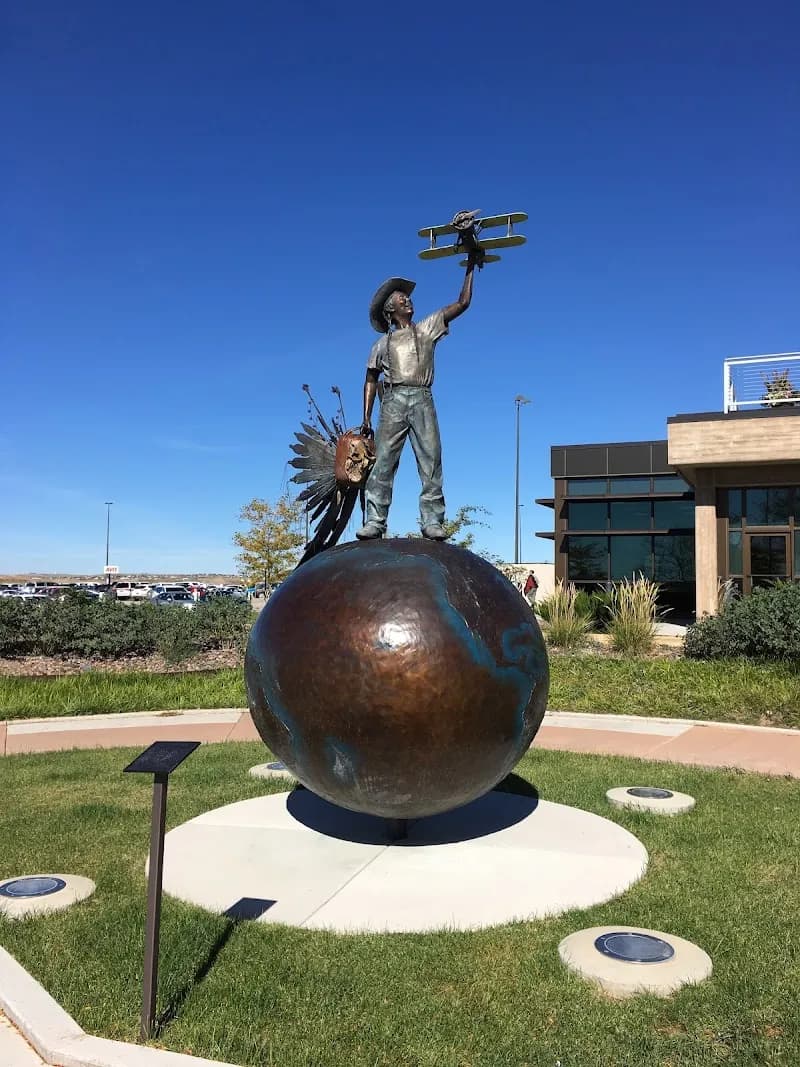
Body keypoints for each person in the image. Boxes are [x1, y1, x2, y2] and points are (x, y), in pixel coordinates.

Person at [356, 256, 477, 540]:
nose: (407, 300)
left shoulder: (427, 329)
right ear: (390, 309)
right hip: (393, 401)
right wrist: (365, 417)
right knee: (383, 461)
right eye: (401, 298)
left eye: (407, 297)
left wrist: (471, 266)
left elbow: (462, 303)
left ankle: (432, 520)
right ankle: (375, 520)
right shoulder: (381, 343)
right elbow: (370, 380)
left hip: (422, 398)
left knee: (431, 459)